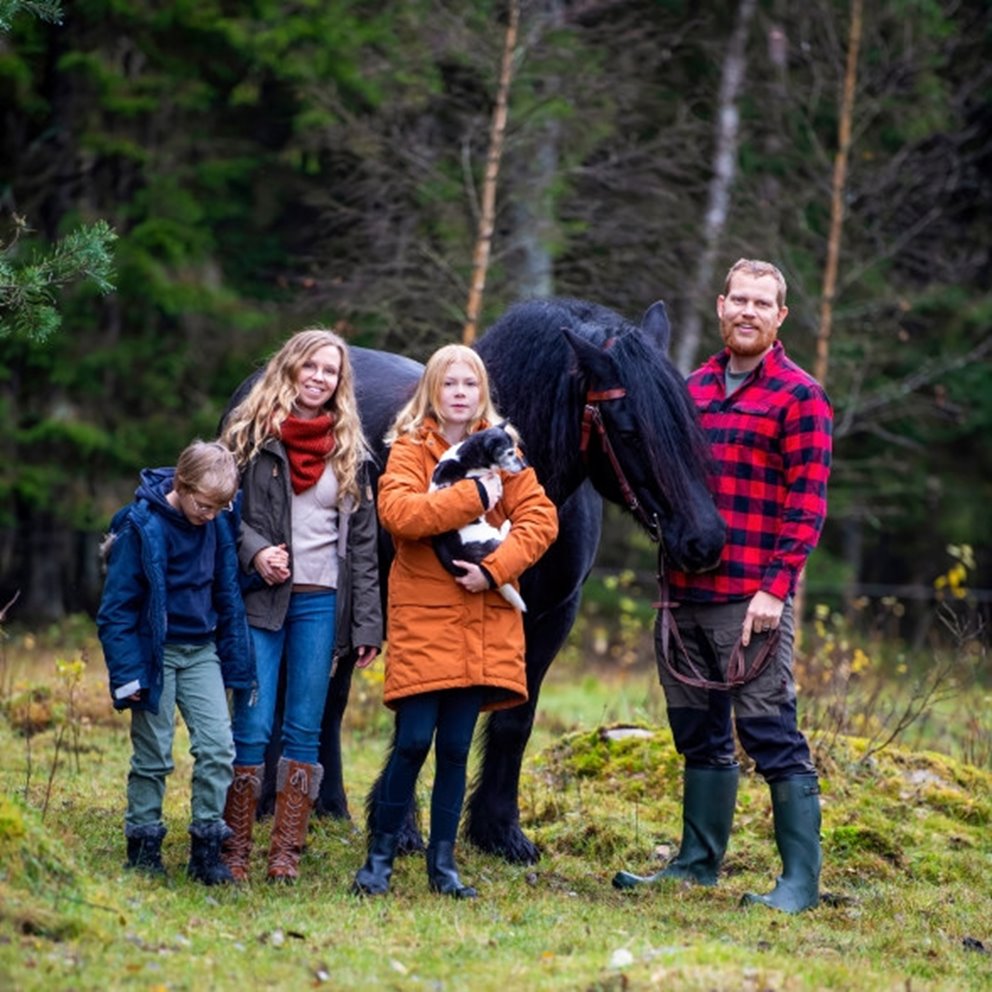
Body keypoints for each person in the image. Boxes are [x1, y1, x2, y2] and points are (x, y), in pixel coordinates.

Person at [613, 258, 832, 913]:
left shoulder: (800, 396)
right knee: (698, 733)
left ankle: (799, 883)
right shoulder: (690, 389)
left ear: (780, 316)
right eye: (739, 300)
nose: (748, 312)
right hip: (681, 596)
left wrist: (775, 591)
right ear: (720, 306)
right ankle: (696, 863)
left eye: (762, 303)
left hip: (750, 599)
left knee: (769, 733)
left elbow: (808, 505)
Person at [351, 344, 558, 899]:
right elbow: (400, 515)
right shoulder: (411, 450)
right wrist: (474, 497)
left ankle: (443, 868)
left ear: (482, 393)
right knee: (414, 741)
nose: (460, 393)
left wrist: (494, 571)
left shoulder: (503, 449)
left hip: (484, 618)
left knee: (456, 749)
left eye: (470, 384)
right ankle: (379, 859)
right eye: (449, 384)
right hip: (425, 616)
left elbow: (541, 519)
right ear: (432, 393)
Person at [220, 328, 382, 883]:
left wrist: (367, 624)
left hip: (321, 603)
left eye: (329, 371)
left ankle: (286, 852)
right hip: (262, 600)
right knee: (253, 724)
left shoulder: (351, 451)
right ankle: (233, 847)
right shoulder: (251, 435)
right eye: (310, 366)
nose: (319, 377)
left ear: (340, 383)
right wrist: (256, 552)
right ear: (290, 368)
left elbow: (362, 546)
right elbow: (222, 514)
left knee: (304, 728)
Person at [97, 439, 254, 885]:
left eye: (219, 507)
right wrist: (127, 675)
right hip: (154, 654)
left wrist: (258, 573)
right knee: (153, 754)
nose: (209, 514)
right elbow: (116, 611)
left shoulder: (219, 522)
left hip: (201, 650)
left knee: (218, 747)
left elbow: (223, 585)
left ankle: (206, 847)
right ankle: (143, 848)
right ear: (181, 487)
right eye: (203, 505)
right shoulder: (141, 528)